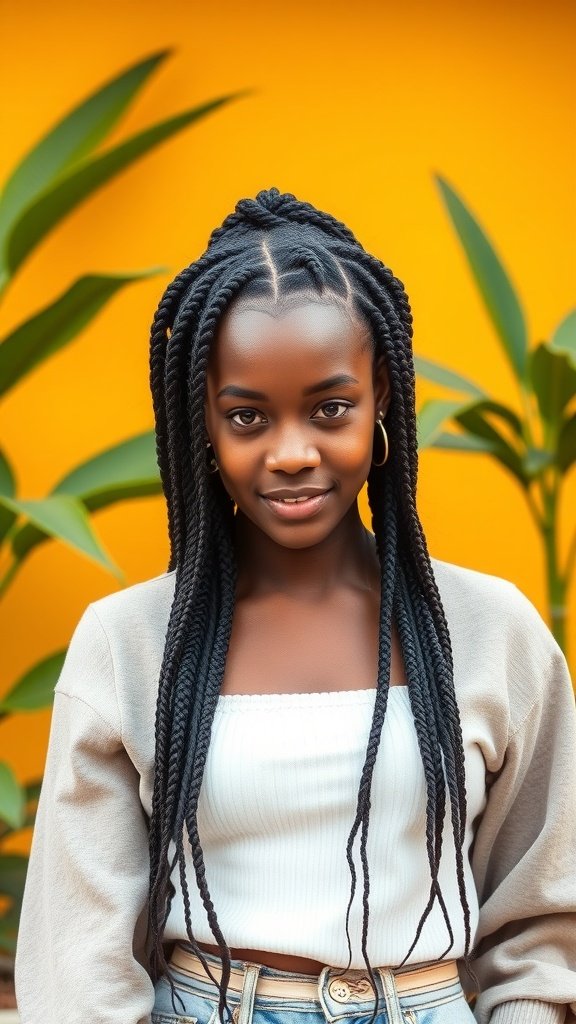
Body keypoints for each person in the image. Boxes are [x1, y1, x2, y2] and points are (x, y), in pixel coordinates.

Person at [15, 188, 576, 1024]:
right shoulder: (129, 643)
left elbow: (542, 914)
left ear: (382, 398)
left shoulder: (493, 632)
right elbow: (80, 952)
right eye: (247, 416)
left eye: (330, 408)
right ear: (202, 425)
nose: (291, 452)